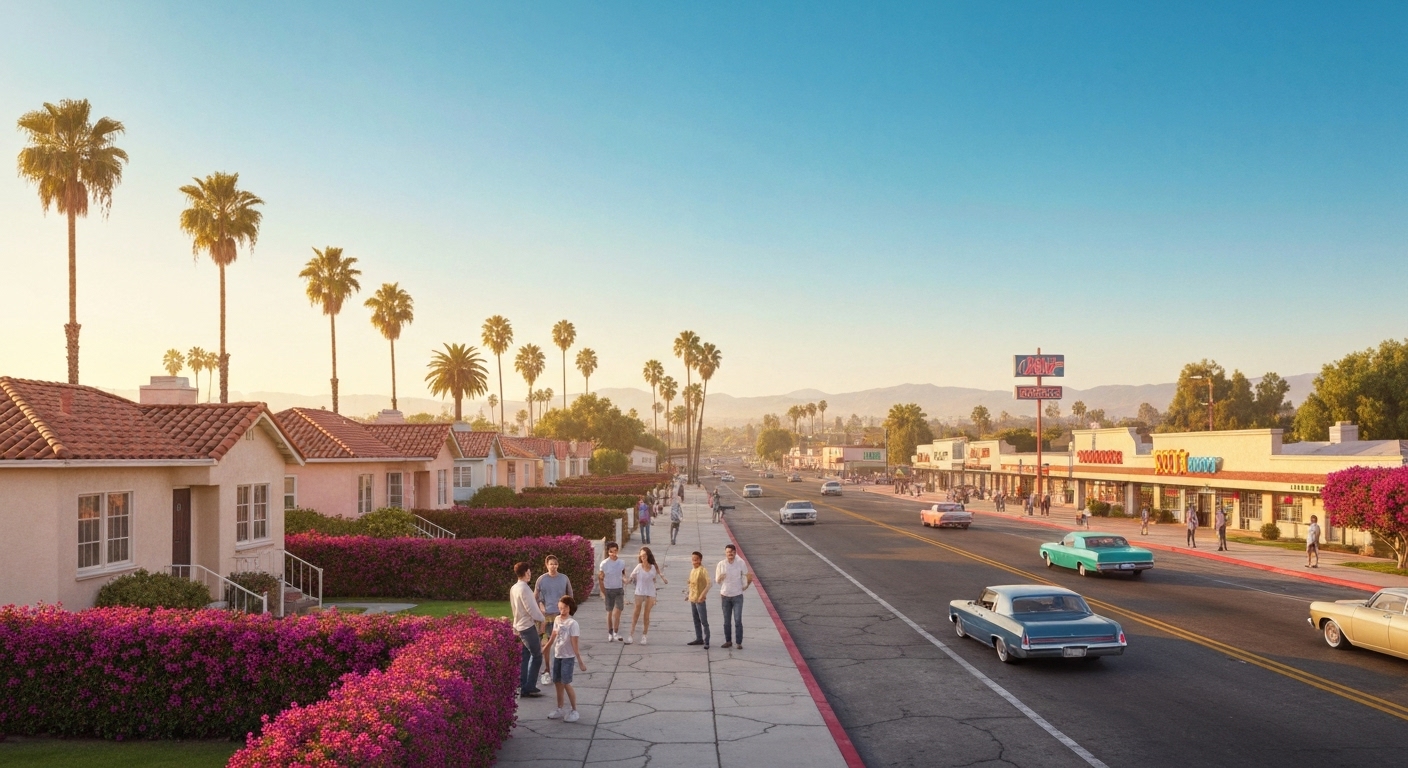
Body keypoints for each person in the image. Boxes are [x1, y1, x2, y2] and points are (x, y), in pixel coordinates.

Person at [545, 595, 587, 723]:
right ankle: (560, 708)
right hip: (557, 655)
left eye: (563, 608)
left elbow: (575, 643)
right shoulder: (557, 619)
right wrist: (546, 647)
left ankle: (574, 710)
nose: (561, 611)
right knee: (557, 682)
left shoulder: (573, 624)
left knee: (566, 683)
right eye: (560, 608)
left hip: (568, 657)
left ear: (569, 608)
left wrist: (580, 661)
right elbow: (553, 636)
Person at [534, 555, 574, 686]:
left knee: (561, 644)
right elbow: (536, 597)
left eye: (555, 564)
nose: (553, 566)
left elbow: (570, 596)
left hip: (560, 616)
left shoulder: (564, 578)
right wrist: (540, 606)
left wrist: (568, 613)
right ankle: (547, 671)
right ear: (546, 565)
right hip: (545, 618)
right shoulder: (541, 579)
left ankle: (560, 671)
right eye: (551, 564)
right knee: (546, 645)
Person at [510, 561, 546, 698]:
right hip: (527, 626)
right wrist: (542, 618)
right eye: (529, 572)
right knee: (537, 655)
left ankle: (523, 684)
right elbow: (531, 609)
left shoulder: (514, 587)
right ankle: (529, 687)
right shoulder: (524, 588)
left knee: (525, 656)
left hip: (519, 625)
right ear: (525, 573)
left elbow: (514, 607)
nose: (530, 574)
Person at [625, 546, 666, 644]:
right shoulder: (639, 567)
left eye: (644, 555)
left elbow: (660, 575)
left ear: (648, 555)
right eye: (641, 555)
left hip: (650, 592)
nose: (643, 557)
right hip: (639, 592)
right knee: (636, 612)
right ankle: (631, 634)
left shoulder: (653, 566)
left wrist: (664, 579)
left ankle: (644, 635)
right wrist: (626, 580)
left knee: (646, 614)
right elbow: (631, 577)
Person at [715, 543, 752, 650]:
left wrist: (746, 586)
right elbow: (717, 580)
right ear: (725, 553)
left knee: (737, 619)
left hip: (737, 596)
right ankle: (728, 641)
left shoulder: (740, 563)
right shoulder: (721, 564)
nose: (730, 554)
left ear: (735, 552)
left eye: (732, 552)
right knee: (726, 621)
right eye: (728, 552)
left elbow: (748, 575)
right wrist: (720, 578)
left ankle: (739, 642)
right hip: (725, 595)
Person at [599, 542, 627, 641]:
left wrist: (624, 579)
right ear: (608, 552)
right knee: (609, 611)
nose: (613, 553)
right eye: (611, 551)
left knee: (619, 611)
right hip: (609, 590)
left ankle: (616, 632)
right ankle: (610, 632)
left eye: (615, 551)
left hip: (619, 589)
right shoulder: (604, 564)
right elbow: (601, 578)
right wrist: (603, 591)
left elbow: (623, 574)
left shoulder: (621, 563)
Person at [686, 550, 711, 648]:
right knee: (696, 619)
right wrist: (688, 595)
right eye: (692, 559)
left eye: (696, 559)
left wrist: (703, 595)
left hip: (700, 600)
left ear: (700, 560)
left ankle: (707, 640)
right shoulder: (692, 570)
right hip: (693, 598)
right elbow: (692, 585)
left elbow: (709, 583)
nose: (694, 561)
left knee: (703, 620)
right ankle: (699, 638)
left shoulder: (702, 570)